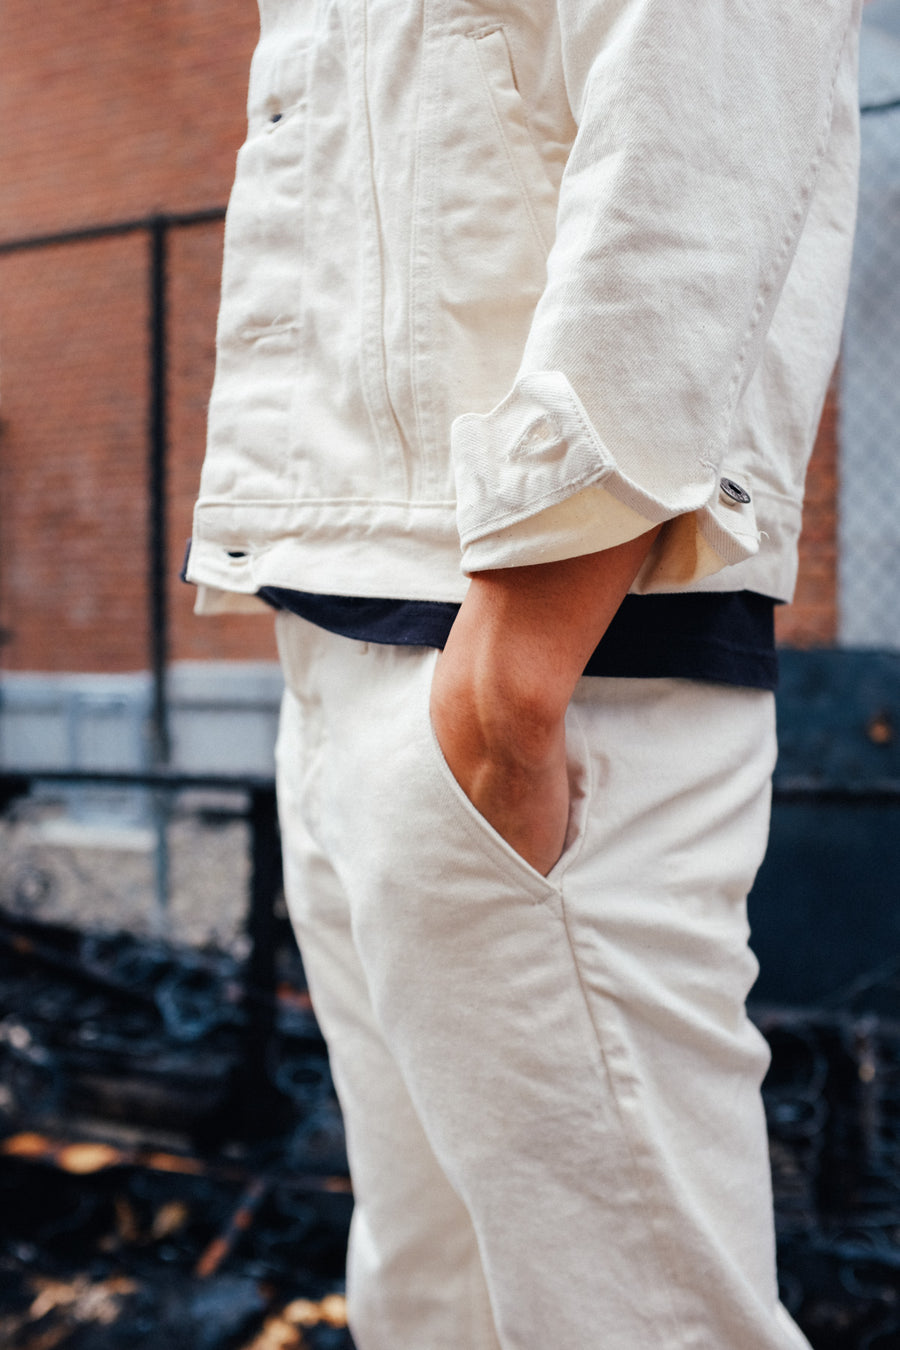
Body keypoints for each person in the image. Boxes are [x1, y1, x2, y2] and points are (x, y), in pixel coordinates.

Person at [186, 2, 862, 1345]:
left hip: (550, 655)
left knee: (635, 1318)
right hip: (345, 636)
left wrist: (513, 676)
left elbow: (700, 101)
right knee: (432, 1307)